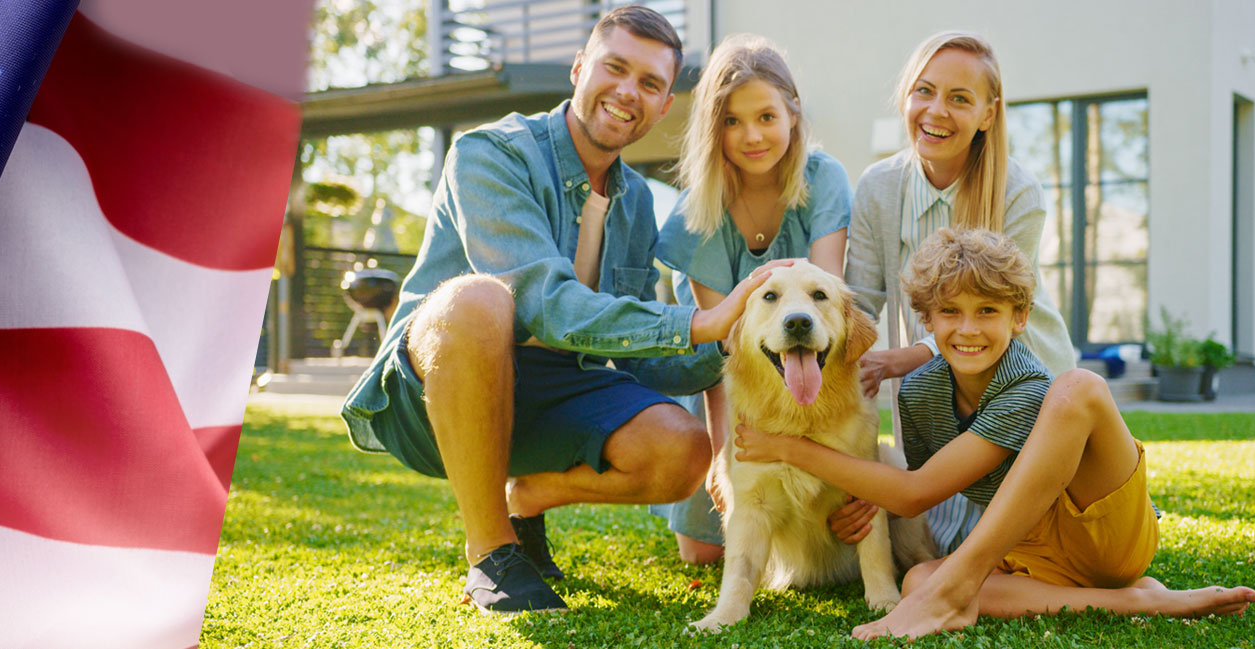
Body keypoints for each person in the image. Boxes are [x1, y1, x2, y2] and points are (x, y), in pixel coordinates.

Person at [338, 6, 792, 613]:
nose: (628, 91)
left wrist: (731, 340)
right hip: (432, 394)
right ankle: (492, 552)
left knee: (681, 449)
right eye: (615, 68)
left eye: (651, 84)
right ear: (580, 69)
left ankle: (527, 497)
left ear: (662, 107)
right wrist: (697, 320)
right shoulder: (489, 153)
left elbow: (635, 354)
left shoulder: (634, 208)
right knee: (480, 300)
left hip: (552, 394)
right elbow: (544, 304)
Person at [733, 228, 1255, 639]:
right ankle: (1136, 601)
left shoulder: (1025, 384)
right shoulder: (918, 395)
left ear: (1020, 317)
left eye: (988, 311)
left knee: (1077, 387)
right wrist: (867, 503)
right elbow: (921, 495)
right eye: (950, 313)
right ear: (927, 322)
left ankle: (962, 590)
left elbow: (912, 494)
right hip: (1024, 550)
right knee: (917, 580)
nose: (968, 328)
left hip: (1101, 534)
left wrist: (784, 448)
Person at [836, 31, 1080, 557]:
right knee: (934, 552)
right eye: (924, 91)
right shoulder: (878, 187)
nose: (936, 111)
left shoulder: (1018, 190)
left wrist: (902, 357)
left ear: (988, 115)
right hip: (937, 387)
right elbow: (858, 300)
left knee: (1019, 548)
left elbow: (996, 312)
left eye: (960, 99)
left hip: (1018, 370)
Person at [646, 33, 850, 566]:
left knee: (829, 530)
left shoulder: (825, 180)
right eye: (732, 121)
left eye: (766, 116)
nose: (752, 136)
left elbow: (828, 311)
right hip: (739, 390)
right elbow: (723, 345)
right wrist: (722, 453)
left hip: (814, 379)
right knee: (702, 554)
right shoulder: (698, 212)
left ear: (793, 114)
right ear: (714, 129)